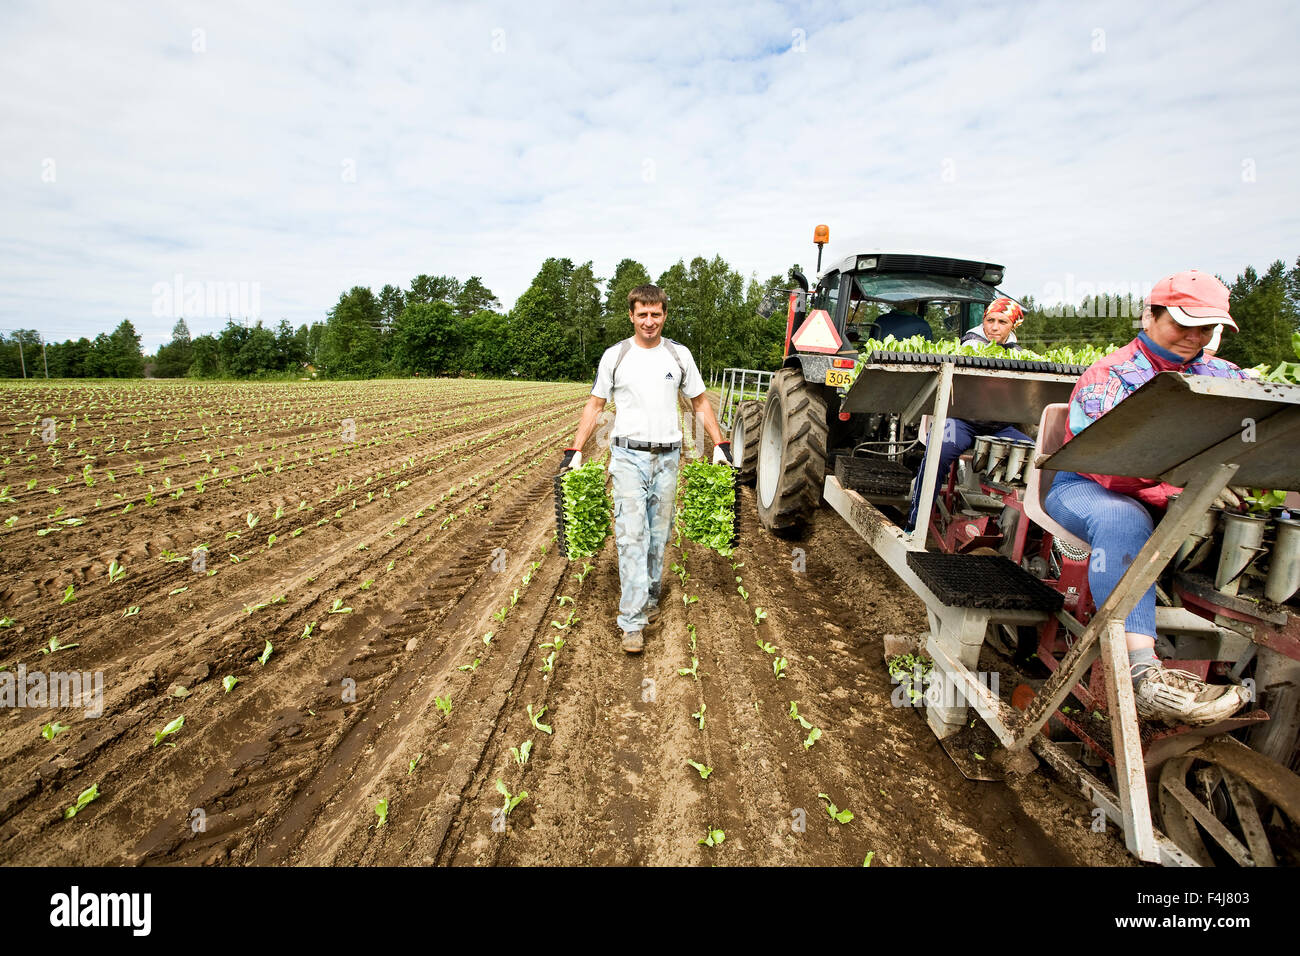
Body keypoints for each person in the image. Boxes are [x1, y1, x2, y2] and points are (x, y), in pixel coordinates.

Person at [1044, 270, 1251, 725]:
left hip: (1182, 498)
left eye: (1206, 328)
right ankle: (1141, 672)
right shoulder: (1110, 377)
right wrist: (1179, 492)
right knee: (1124, 518)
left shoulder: (1222, 375)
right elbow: (1108, 466)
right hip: (1086, 487)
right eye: (1183, 324)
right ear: (1150, 315)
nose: (1194, 338)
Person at [563, 285, 733, 654]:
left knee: (659, 534)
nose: (649, 321)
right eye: (642, 314)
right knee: (631, 534)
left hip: (669, 457)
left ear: (664, 315)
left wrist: (720, 445)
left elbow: (700, 402)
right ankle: (632, 620)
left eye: (655, 314)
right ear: (631, 316)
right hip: (626, 456)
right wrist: (575, 450)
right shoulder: (616, 355)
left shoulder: (678, 355)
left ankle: (651, 597)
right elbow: (594, 406)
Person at [905, 297, 1032, 531]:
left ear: (1012, 326)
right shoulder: (970, 345)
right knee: (938, 453)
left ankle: (1010, 524)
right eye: (990, 320)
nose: (994, 327)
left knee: (1037, 459)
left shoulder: (1019, 354)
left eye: (1002, 322)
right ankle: (914, 524)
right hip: (959, 420)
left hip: (997, 427)